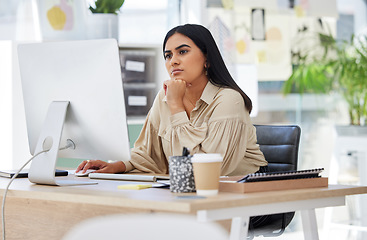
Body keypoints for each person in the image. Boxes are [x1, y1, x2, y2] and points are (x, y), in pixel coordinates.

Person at [76, 24, 267, 176]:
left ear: (207, 59)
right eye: (168, 55)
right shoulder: (164, 97)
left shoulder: (228, 100)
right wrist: (118, 165)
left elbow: (208, 170)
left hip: (246, 194)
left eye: (182, 52)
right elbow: (150, 155)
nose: (173, 61)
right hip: (192, 192)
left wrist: (176, 107)